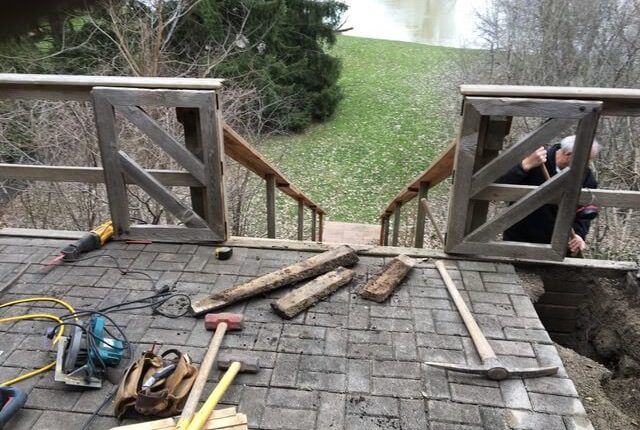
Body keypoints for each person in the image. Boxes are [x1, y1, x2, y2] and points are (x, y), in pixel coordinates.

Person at [498, 135, 600, 254]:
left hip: (555, 247)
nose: (587, 164)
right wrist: (525, 165)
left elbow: (584, 212)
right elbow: (499, 188)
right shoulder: (535, 158)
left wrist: (578, 234)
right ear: (569, 154)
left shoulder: (585, 175)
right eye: (586, 160)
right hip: (518, 239)